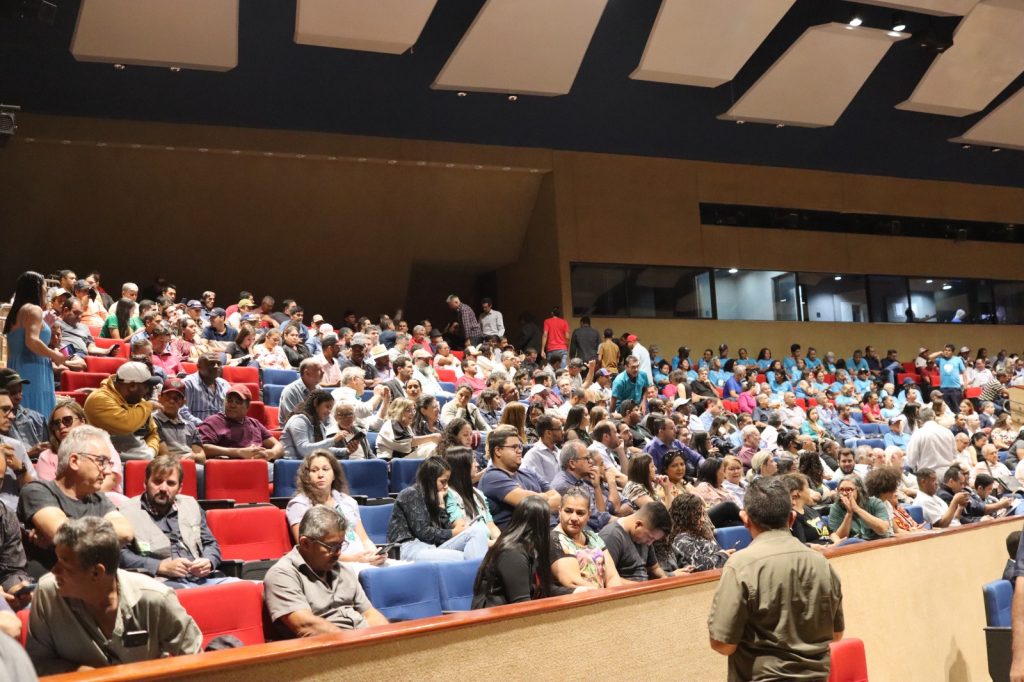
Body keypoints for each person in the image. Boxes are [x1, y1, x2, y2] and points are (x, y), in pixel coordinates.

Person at [707, 477, 844, 681]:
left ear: (745, 519)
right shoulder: (822, 563)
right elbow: (836, 634)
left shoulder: (740, 565)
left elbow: (722, 644)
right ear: (791, 519)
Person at [26, 516, 200, 673]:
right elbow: (37, 662)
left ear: (96, 572)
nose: (54, 570)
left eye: (65, 564)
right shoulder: (47, 593)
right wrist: (79, 672)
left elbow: (197, 662)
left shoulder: (156, 598)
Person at [18, 426, 134, 571]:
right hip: (53, 582)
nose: (108, 471)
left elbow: (125, 532)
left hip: (94, 581)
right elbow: (61, 533)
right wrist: (105, 532)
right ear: (74, 461)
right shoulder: (37, 490)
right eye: (101, 461)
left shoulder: (98, 498)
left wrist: (69, 529)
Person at [264, 506, 389, 637]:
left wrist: (391, 641)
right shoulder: (282, 574)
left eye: (340, 545)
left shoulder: (345, 570)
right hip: (324, 649)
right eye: (332, 546)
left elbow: (369, 614)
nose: (339, 553)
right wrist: (354, 642)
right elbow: (305, 626)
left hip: (361, 641)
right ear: (305, 543)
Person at [118, 456, 228, 588]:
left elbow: (210, 543)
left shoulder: (191, 505)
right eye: (157, 482)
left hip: (202, 579)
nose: (163, 488)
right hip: (160, 583)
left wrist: (209, 561)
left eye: (170, 483)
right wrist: (159, 566)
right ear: (145, 483)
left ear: (180, 488)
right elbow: (120, 554)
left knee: (248, 587)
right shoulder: (125, 512)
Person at [285, 451, 385, 572]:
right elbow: (308, 550)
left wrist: (375, 553)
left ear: (334, 474)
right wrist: (354, 559)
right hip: (333, 565)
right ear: (307, 476)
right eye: (314, 470)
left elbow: (364, 539)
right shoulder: (300, 504)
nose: (320, 474)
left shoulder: (347, 501)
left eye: (325, 469)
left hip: (363, 560)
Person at [387, 456, 490, 562]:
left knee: (477, 532)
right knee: (463, 557)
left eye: (447, 482)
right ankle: (480, 576)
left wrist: (441, 506)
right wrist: (454, 532)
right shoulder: (410, 494)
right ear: (430, 480)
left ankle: (478, 574)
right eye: (443, 481)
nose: (446, 486)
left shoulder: (435, 497)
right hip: (409, 547)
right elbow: (424, 533)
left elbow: (445, 529)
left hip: (432, 547)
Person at [5, 271, 65, 416]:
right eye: (44, 286)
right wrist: (55, 355)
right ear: (37, 288)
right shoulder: (34, 310)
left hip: (18, 368)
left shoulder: (17, 312)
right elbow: (31, 341)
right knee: (36, 413)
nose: (46, 291)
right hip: (33, 370)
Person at [479, 426, 561, 530]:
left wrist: (538, 502)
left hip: (550, 530)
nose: (519, 451)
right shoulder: (492, 477)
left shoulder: (529, 472)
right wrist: (544, 497)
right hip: (523, 539)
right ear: (498, 451)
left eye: (520, 447)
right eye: (514, 447)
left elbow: (558, 500)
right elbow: (528, 503)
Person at [550, 487, 627, 589]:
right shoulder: (554, 539)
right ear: (560, 511)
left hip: (603, 599)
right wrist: (603, 596)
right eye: (568, 511)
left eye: (580, 513)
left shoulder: (593, 537)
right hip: (576, 602)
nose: (574, 518)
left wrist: (614, 599)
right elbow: (573, 582)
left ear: (588, 515)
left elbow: (612, 577)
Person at [83, 361, 162, 460]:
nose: (147, 391)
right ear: (132, 386)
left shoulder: (140, 402)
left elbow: (153, 433)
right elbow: (126, 424)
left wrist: (151, 451)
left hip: (143, 464)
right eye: (145, 387)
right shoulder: (99, 399)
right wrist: (149, 406)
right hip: (108, 465)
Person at [197, 384, 284, 462]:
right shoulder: (213, 421)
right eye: (229, 400)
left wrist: (269, 453)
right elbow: (202, 448)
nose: (232, 405)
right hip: (230, 468)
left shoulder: (254, 423)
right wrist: (239, 452)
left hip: (260, 467)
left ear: (247, 407)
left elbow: (279, 446)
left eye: (238, 402)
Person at [598, 501, 671, 581]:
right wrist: (643, 588)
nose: (650, 543)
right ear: (638, 524)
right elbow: (608, 579)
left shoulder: (645, 538)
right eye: (650, 538)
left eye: (654, 539)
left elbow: (654, 568)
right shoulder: (611, 536)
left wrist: (664, 579)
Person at [663, 492, 732, 573]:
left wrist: (727, 555)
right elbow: (701, 566)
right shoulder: (681, 540)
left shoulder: (703, 531)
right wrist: (724, 555)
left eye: (703, 514)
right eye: (698, 515)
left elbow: (718, 553)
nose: (702, 519)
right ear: (686, 516)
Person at [444, 446, 501, 542]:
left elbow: (491, 525)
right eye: (473, 461)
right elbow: (461, 529)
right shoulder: (449, 494)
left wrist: (500, 542)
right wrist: (493, 545)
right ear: (462, 467)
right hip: (470, 546)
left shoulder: (478, 494)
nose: (477, 464)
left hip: (489, 544)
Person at [828, 474, 890, 541]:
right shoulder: (836, 508)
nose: (844, 493)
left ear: (859, 490)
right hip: (853, 547)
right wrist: (849, 514)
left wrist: (857, 509)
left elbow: (883, 529)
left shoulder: (875, 503)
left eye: (849, 489)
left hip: (877, 543)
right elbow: (838, 539)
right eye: (841, 490)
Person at [375, 398, 440, 460]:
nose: (412, 413)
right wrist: (432, 437)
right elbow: (406, 443)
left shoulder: (406, 426)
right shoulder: (392, 423)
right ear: (398, 411)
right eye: (408, 410)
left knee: (435, 445)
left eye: (413, 410)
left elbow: (414, 446)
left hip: (403, 459)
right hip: (392, 462)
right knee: (432, 448)